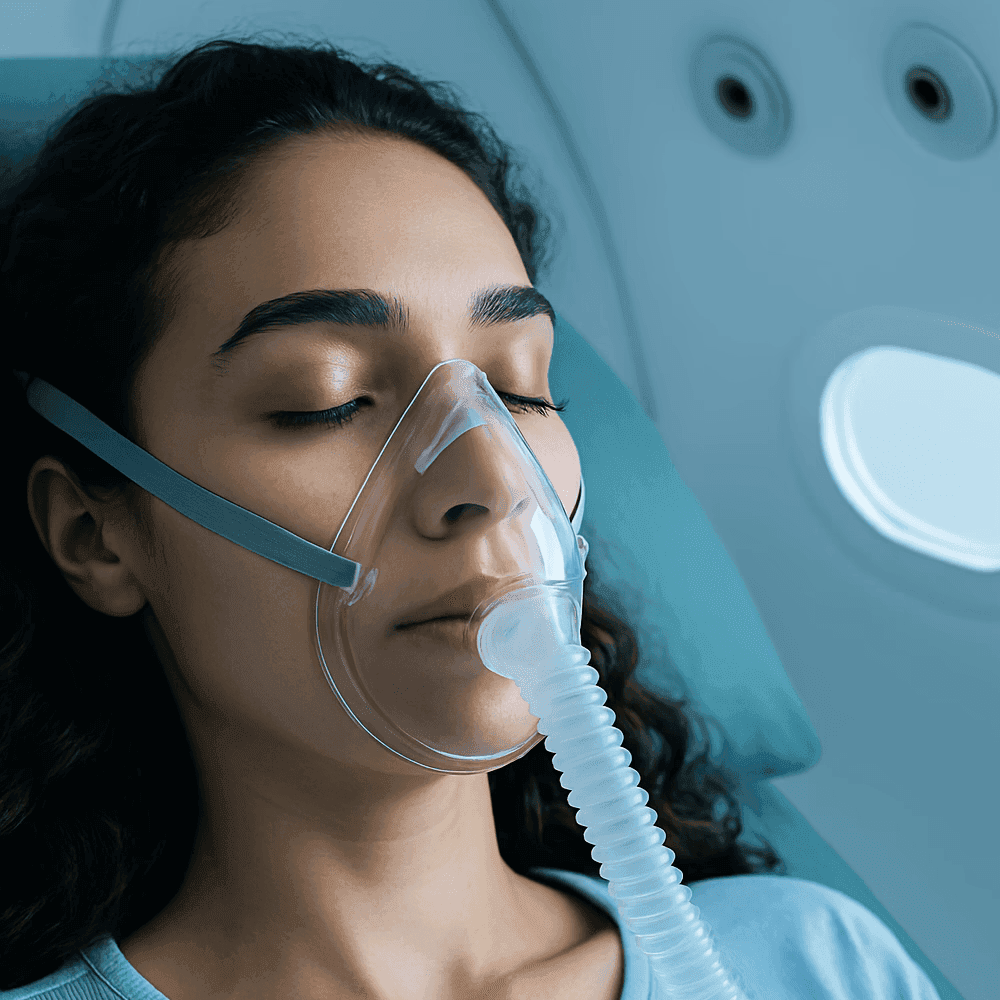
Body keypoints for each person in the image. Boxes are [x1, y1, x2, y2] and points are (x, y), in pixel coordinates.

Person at [2, 34, 937, 1000]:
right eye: (326, 398)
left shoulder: (816, 961)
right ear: (94, 536)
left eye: (520, 387)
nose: (493, 477)